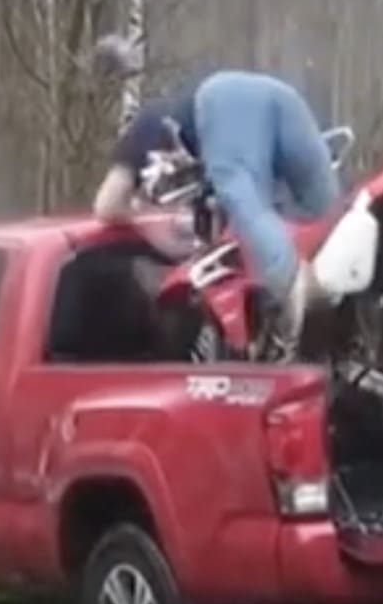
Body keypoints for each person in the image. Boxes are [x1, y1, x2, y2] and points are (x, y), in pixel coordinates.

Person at [89, 35, 341, 361]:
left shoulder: (142, 129)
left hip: (223, 99)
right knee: (325, 209)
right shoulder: (173, 118)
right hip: (279, 95)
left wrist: (149, 229)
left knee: (243, 196)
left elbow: (106, 206)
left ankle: (288, 297)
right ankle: (347, 297)